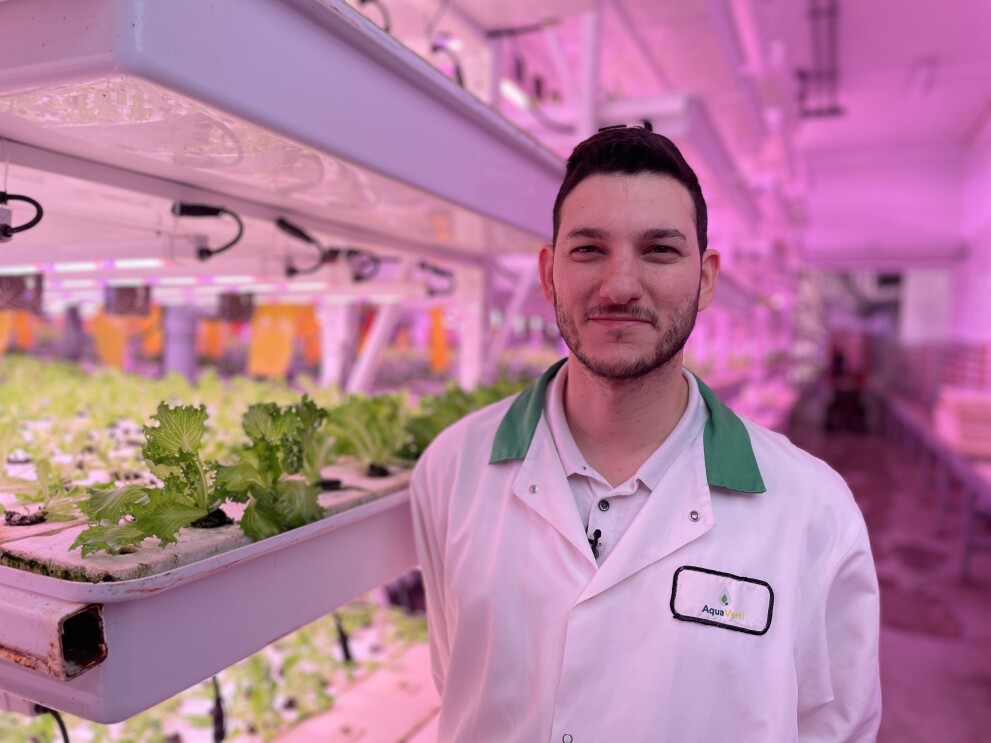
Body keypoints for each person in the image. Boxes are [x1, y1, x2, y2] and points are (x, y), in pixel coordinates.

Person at [410, 126, 881, 742]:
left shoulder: (812, 509)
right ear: (549, 274)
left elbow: (837, 728)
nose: (621, 285)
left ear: (705, 279)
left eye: (659, 250)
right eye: (588, 250)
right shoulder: (454, 468)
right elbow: (460, 681)